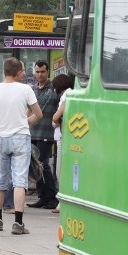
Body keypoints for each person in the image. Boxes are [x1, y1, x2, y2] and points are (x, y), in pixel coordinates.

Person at [0, 57, 42, 235]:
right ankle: (18, 222)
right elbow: (38, 114)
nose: (24, 73)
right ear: (18, 72)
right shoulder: (26, 89)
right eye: (23, 71)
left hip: (0, 137)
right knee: (19, 180)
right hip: (20, 137)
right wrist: (26, 121)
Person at [27, 61, 60, 210]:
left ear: (48, 72)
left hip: (47, 132)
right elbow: (28, 109)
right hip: (33, 131)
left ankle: (52, 196)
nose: (40, 74)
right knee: (35, 165)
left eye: (43, 72)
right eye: (38, 72)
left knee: (43, 164)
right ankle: (42, 196)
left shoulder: (54, 88)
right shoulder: (33, 89)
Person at [50, 73, 75, 214]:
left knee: (60, 170)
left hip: (63, 137)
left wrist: (55, 119)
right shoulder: (71, 94)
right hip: (62, 135)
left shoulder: (67, 95)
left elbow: (56, 115)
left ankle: (62, 201)